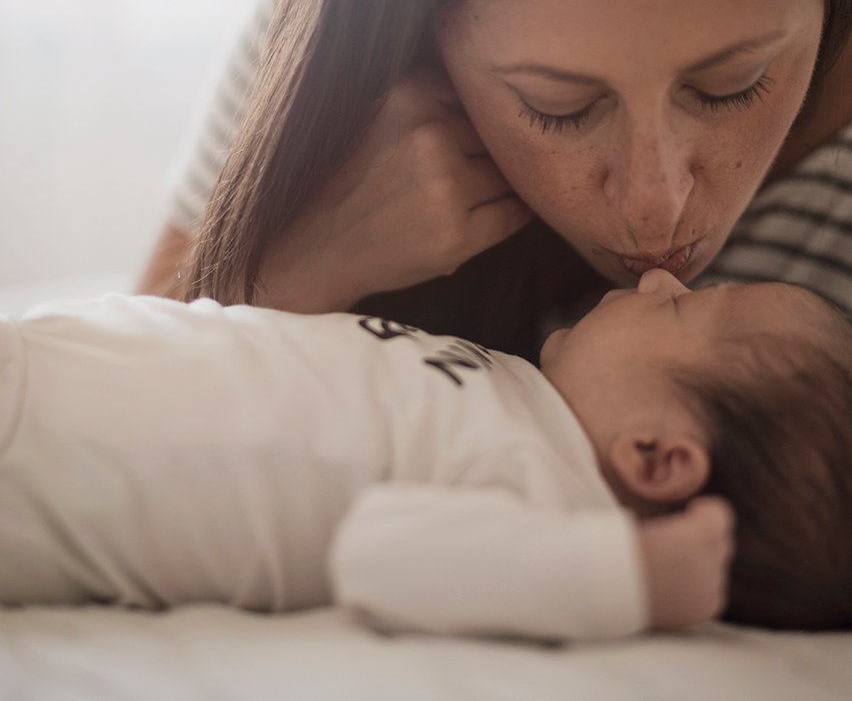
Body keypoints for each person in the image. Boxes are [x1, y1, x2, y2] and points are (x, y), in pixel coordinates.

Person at [138, 0, 852, 363]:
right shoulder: (334, 30)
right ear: (426, 28)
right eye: (559, 104)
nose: (654, 206)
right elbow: (117, 400)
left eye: (736, 82)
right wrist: (285, 277)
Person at [2, 270, 850, 639]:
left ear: (657, 458)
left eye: (681, 311)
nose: (667, 280)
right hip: (59, 367)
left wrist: (624, 576)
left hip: (46, 460)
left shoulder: (542, 501)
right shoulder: (523, 403)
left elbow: (382, 559)